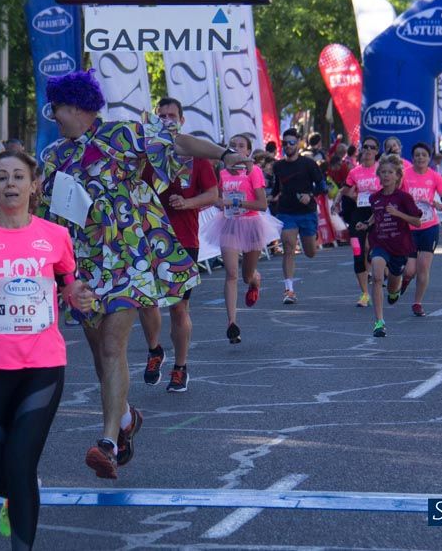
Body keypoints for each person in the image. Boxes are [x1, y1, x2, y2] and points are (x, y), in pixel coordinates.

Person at [37, 70, 239, 479]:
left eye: (56, 108)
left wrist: (224, 154)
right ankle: (127, 418)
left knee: (113, 348)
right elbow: (46, 208)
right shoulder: (55, 155)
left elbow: (178, 142)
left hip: (130, 258)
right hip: (84, 265)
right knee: (100, 354)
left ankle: (107, 443)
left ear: (76, 106)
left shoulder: (124, 133)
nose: (52, 116)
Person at [0, 151, 92, 550]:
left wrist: (78, 294)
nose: (10, 183)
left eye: (18, 176)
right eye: (1, 177)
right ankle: (18, 490)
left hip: (43, 365)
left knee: (19, 464)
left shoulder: (55, 235)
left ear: (34, 186)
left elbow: (68, 283)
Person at [138, 98, 219, 393]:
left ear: (182, 120)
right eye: (162, 116)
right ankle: (154, 350)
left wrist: (188, 203)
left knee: (178, 308)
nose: (167, 120)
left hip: (184, 241)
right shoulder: (145, 154)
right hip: (147, 239)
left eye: (172, 115)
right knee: (146, 302)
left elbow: (212, 194)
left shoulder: (195, 156)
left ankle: (180, 367)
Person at [202, 133, 281, 345]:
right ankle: (232, 324)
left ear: (248, 151)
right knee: (231, 273)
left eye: (241, 146)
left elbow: (262, 205)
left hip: (251, 224)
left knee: (246, 276)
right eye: (232, 145)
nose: (236, 148)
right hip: (228, 223)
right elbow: (218, 196)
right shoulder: (222, 171)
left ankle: (255, 279)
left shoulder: (253, 171)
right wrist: (218, 202)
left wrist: (235, 203)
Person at [354, 155, 421, 337]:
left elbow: (417, 222)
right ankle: (379, 322)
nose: (386, 175)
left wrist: (398, 214)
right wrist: (366, 224)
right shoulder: (374, 197)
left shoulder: (404, 198)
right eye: (383, 172)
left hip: (399, 246)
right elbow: (376, 215)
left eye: (390, 172)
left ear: (397, 175)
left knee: (392, 286)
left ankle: (394, 292)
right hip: (380, 242)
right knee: (377, 277)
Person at [272, 128, 326, 304]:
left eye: (291, 143)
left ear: (298, 144)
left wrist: (310, 195)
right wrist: (269, 196)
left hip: (307, 212)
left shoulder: (308, 164)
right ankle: (289, 290)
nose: (288, 146)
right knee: (288, 247)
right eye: (285, 143)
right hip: (286, 212)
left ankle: (312, 236)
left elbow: (322, 186)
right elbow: (276, 188)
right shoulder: (278, 166)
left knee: (310, 252)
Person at [402, 142, 442, 316]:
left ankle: (417, 303)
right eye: (417, 155)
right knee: (410, 270)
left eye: (424, 155)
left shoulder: (435, 177)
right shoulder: (404, 175)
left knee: (423, 267)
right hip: (409, 227)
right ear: (412, 157)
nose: (420, 158)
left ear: (429, 158)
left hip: (429, 227)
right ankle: (406, 279)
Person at [337, 136, 381, 307]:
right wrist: (341, 200)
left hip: (378, 214)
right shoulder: (354, 172)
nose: (368, 150)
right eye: (365, 147)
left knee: (373, 250)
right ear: (361, 149)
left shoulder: (382, 170)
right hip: (359, 213)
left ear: (377, 151)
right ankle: (364, 294)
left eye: (372, 147)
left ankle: (387, 275)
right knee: (357, 252)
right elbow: (345, 190)